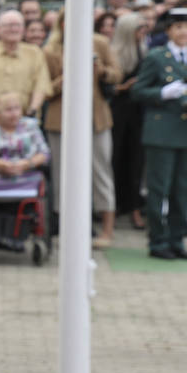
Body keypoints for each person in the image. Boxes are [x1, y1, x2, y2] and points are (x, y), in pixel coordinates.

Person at [133, 8, 187, 260]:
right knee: (159, 188)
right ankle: (158, 240)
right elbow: (138, 91)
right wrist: (162, 93)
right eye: (178, 27)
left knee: (182, 187)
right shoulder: (157, 56)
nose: (183, 32)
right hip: (162, 129)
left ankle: (177, 239)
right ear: (169, 31)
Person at [41, 13, 121, 245]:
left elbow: (118, 74)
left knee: (101, 173)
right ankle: (67, 229)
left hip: (96, 120)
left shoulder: (100, 43)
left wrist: (101, 71)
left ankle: (107, 230)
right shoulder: (51, 50)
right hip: (61, 121)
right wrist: (66, 78)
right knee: (62, 175)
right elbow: (45, 89)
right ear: (62, 24)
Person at [0, 9, 51, 118]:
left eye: (17, 25)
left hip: (25, 120)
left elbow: (41, 85)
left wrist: (33, 109)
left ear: (23, 29)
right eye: (9, 25)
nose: (13, 29)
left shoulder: (34, 53)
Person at [0, 92, 50, 208]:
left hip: (26, 178)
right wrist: (0, 165)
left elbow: (44, 153)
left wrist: (26, 164)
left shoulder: (30, 125)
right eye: (8, 110)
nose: (14, 114)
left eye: (17, 108)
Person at [108, 11, 148, 230]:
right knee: (114, 159)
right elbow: (106, 86)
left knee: (136, 161)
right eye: (139, 29)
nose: (143, 33)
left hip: (138, 113)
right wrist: (123, 88)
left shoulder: (144, 52)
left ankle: (133, 206)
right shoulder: (114, 52)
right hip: (117, 112)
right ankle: (112, 207)